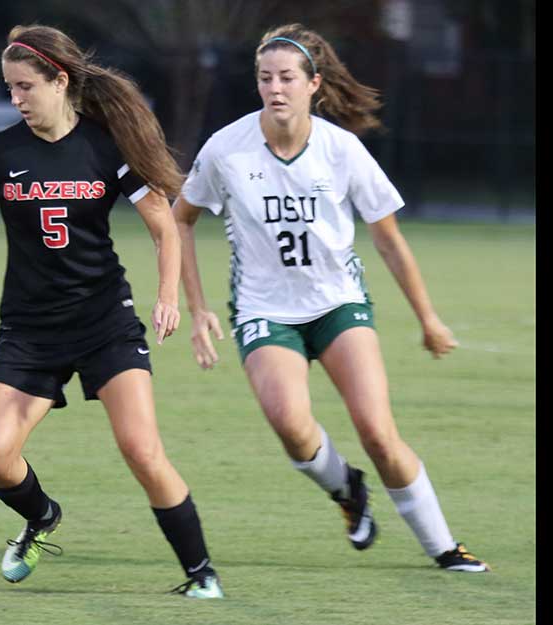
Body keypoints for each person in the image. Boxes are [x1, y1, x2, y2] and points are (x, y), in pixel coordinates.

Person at [0, 25, 224, 598]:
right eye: (10, 89)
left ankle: (200, 573)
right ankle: (41, 517)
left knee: (141, 449)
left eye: (26, 87)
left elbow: (165, 228)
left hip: (104, 322)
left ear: (60, 81)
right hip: (29, 330)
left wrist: (167, 297)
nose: (16, 99)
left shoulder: (106, 148)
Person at [172, 23, 489, 573]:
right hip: (264, 309)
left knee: (378, 433)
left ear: (313, 84)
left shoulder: (342, 151)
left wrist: (428, 318)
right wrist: (197, 308)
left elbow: (388, 240)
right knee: (292, 426)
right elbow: (180, 221)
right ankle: (348, 492)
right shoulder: (226, 148)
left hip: (338, 303)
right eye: (265, 77)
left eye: (287, 77)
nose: (276, 87)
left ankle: (445, 548)